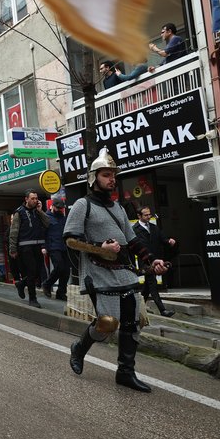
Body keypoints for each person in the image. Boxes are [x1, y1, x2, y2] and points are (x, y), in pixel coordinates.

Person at [65, 148, 169, 392]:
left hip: (123, 270)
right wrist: (99, 248)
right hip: (97, 270)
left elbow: (132, 240)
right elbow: (70, 239)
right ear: (94, 178)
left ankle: (125, 372)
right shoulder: (82, 205)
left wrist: (152, 260)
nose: (111, 179)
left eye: (113, 174)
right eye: (105, 174)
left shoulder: (118, 208)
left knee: (133, 321)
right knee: (108, 323)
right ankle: (79, 348)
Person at [132, 206, 177, 317]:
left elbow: (163, 239)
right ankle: (162, 310)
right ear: (139, 216)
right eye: (146, 215)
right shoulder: (134, 229)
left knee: (147, 287)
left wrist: (169, 241)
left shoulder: (154, 227)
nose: (149, 216)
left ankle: (137, 309)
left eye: (149, 214)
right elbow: (133, 247)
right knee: (153, 284)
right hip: (145, 260)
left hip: (157, 259)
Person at [9, 189, 50, 307]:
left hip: (37, 246)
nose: (35, 200)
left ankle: (21, 284)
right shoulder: (19, 212)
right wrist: (13, 249)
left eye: (36, 198)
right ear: (26, 199)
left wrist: (40, 211)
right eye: (32, 198)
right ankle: (32, 298)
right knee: (31, 272)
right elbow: (14, 231)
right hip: (25, 247)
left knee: (37, 272)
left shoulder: (37, 212)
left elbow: (47, 223)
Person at [41, 198, 70, 301]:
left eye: (61, 208)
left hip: (64, 247)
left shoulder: (64, 218)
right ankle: (47, 284)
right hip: (53, 247)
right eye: (58, 208)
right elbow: (42, 233)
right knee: (59, 267)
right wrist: (43, 247)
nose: (60, 210)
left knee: (66, 271)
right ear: (52, 206)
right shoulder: (46, 217)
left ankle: (61, 293)